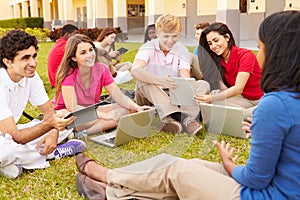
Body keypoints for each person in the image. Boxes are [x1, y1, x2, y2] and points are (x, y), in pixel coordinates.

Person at [74, 10, 300, 199]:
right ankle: (110, 192)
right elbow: (137, 70)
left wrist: (229, 164)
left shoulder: (275, 106)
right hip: (153, 92)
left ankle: (107, 178)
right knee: (191, 165)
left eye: (260, 47)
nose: (258, 54)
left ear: (277, 53)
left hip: (264, 193)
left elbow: (255, 179)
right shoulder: (285, 101)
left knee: (176, 168)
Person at [0, 30, 86, 179]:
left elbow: (49, 112)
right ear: (8, 61)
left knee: (64, 115)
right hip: (9, 137)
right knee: (7, 151)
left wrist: (53, 132)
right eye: (25, 58)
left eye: (34, 56)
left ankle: (20, 162)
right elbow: (16, 136)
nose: (33, 63)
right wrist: (50, 125)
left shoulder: (30, 76)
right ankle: (53, 153)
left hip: (9, 132)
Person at [53, 34, 149, 137]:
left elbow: (118, 95)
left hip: (90, 110)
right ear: (73, 57)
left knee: (128, 109)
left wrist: (137, 107)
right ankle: (84, 128)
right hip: (69, 115)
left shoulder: (102, 69)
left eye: (91, 50)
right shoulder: (69, 75)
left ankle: (81, 134)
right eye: (83, 53)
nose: (90, 55)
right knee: (111, 116)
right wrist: (103, 115)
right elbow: (72, 108)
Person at [131, 13, 210, 135]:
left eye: (174, 36)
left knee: (202, 84)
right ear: (157, 34)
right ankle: (182, 118)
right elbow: (135, 70)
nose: (170, 41)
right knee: (144, 80)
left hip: (172, 94)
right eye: (166, 36)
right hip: (150, 94)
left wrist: (184, 86)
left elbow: (185, 76)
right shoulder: (148, 47)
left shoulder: (181, 49)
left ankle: (172, 119)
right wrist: (160, 80)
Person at [195, 22, 264, 117]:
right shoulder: (220, 61)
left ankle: (248, 115)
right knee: (214, 106)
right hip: (244, 100)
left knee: (235, 113)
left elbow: (238, 89)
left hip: (263, 100)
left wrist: (212, 98)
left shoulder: (246, 55)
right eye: (210, 43)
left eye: (216, 40)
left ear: (227, 37)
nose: (213, 46)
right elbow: (225, 88)